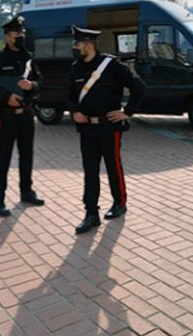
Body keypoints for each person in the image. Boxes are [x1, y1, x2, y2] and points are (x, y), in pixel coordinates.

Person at [67, 25, 145, 234]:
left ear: (90, 45)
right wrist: (74, 111)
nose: (74, 47)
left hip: (109, 126)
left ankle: (120, 203)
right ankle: (91, 214)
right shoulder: (76, 68)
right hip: (86, 129)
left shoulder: (111, 66)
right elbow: (71, 96)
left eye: (78, 43)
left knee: (113, 166)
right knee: (90, 171)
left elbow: (138, 86)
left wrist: (127, 112)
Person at [0, 16, 45, 217]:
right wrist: (7, 96)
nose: (21, 36)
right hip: (5, 117)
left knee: (27, 156)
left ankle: (27, 192)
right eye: (17, 34)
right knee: (3, 158)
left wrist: (32, 86)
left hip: (26, 115)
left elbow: (40, 81)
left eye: (22, 33)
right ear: (7, 37)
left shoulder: (29, 58)